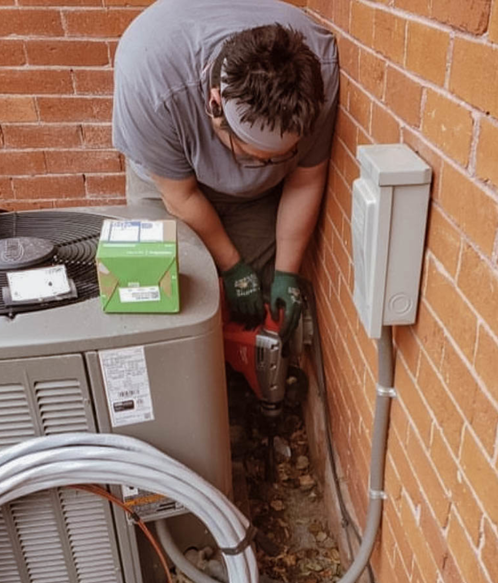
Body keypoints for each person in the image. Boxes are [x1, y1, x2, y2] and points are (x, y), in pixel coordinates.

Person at [112, 0, 339, 340]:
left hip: (256, 198)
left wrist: (286, 274)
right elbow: (180, 195)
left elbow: (305, 181)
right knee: (171, 294)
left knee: (260, 293)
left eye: (276, 156)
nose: (259, 166)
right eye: (251, 155)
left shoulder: (319, 72)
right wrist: (233, 268)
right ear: (214, 104)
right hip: (169, 185)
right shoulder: (150, 77)